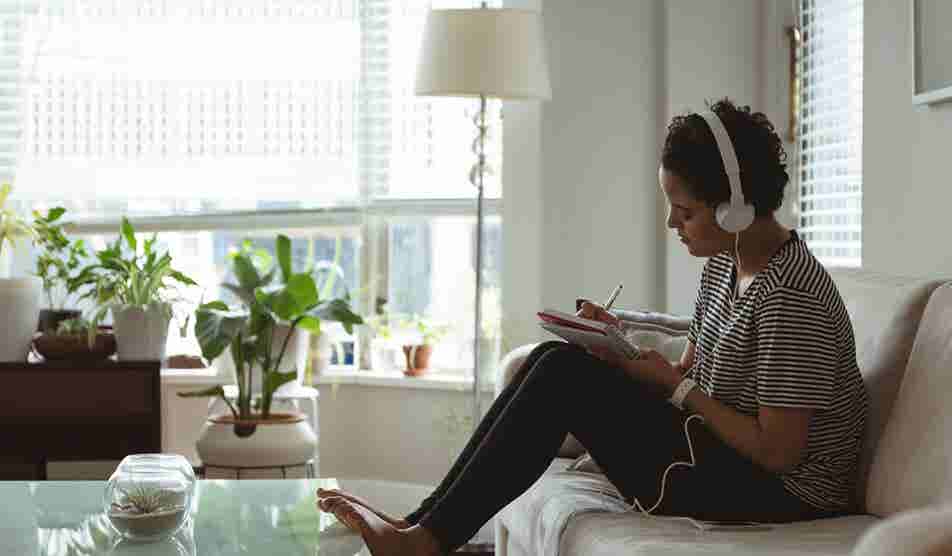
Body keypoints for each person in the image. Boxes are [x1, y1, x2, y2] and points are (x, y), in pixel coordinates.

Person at [316, 98, 868, 556]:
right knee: (552, 361)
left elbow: (779, 453)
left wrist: (674, 387)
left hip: (780, 492)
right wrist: (618, 348)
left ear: (734, 209)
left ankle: (426, 541)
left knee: (561, 377)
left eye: (686, 210)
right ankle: (422, 527)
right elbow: (690, 373)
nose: (673, 223)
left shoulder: (790, 298)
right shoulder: (725, 266)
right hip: (724, 455)